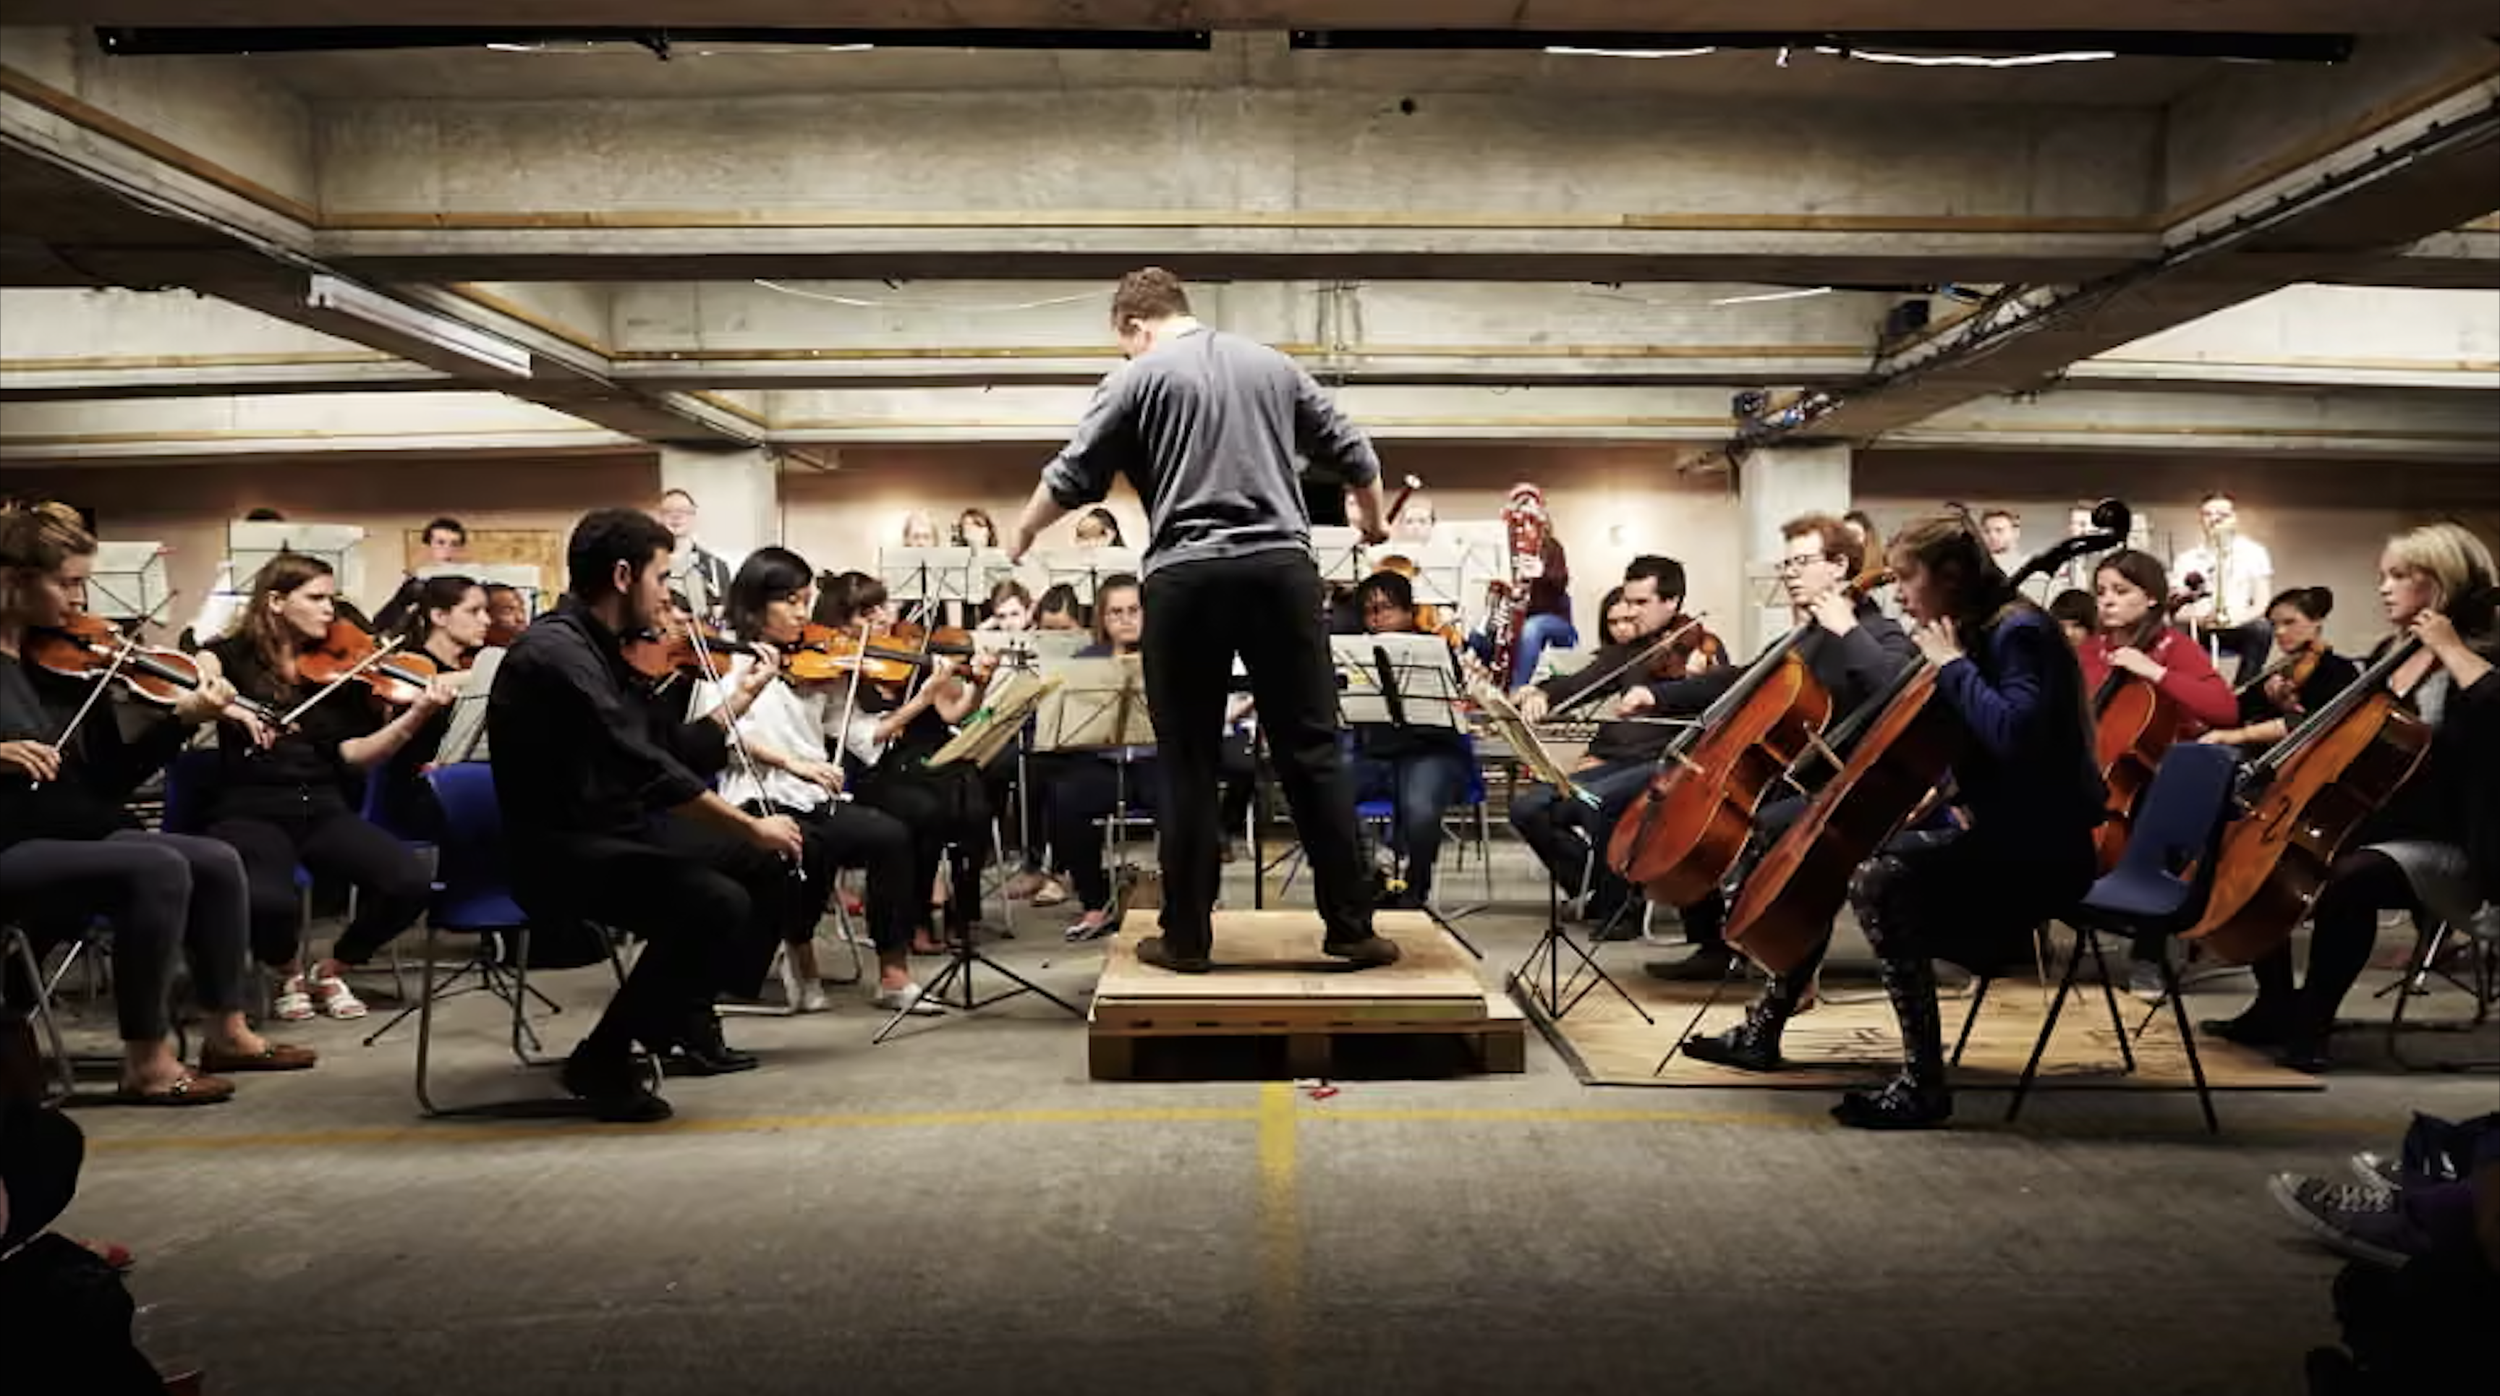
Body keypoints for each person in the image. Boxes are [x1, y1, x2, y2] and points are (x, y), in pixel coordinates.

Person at [1005, 266, 1399, 972]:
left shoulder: (1134, 377)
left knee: (1186, 761)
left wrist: (1023, 533)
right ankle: (1351, 928)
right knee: (1311, 752)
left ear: (1134, 325)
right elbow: (1356, 454)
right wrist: (1370, 522)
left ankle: (1187, 938)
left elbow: (1071, 475)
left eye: (1123, 342)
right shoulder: (1273, 365)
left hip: (1186, 578)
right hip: (1280, 571)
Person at [1681, 512, 2105, 1129]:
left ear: (1950, 575)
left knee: (1879, 879)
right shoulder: (1974, 630)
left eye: (1908, 578)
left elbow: (2015, 736)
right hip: (1999, 831)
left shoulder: (2018, 632)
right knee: (1826, 848)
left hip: (2043, 850)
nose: (1900, 593)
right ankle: (1764, 1027)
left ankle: (1922, 1084)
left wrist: (1951, 664)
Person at [486, 508, 806, 1121]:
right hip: (559, 849)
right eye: (662, 578)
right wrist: (747, 824)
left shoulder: (603, 649)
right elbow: (640, 765)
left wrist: (738, 700)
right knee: (713, 900)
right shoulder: (557, 654)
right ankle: (604, 1057)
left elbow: (665, 749)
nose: (667, 597)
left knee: (765, 865)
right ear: (623, 575)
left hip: (618, 828)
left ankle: (678, 1011)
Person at [0, 501, 317, 1105]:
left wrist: (180, 722)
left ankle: (227, 1032)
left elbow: (110, 780)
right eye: (67, 583)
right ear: (14, 579)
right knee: (157, 865)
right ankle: (147, 1061)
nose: (79, 600)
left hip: (70, 831)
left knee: (215, 860)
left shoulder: (63, 663)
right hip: (10, 842)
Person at [2205, 521, 2497, 1073]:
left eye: (2400, 576)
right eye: (2383, 575)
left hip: (2449, 835)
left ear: (2443, 583)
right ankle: (2274, 1003)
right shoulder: (2394, 651)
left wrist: (2450, 648)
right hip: (2384, 818)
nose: (2384, 588)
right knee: (2259, 851)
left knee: (2350, 880)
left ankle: (2312, 1022)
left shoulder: (2483, 654)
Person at [1638, 513, 1916, 981]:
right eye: (1786, 564)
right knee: (1698, 808)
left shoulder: (1877, 631)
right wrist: (1659, 695)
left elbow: (1893, 688)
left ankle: (1772, 953)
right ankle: (1717, 944)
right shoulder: (1803, 636)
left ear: (1839, 566)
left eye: (1802, 562)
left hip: (1844, 788)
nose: (1790, 574)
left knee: (1759, 825)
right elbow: (1738, 680)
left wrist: (1847, 629)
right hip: (1790, 775)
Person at [201, 554, 447, 1023]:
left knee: (408, 882)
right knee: (270, 902)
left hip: (322, 807)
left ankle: (331, 969)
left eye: (331, 599)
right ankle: (287, 971)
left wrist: (415, 717)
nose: (329, 610)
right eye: (315, 598)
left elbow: (353, 754)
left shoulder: (339, 670)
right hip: (250, 809)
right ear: (275, 601)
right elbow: (194, 682)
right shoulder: (230, 656)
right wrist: (233, 709)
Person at [693, 547, 930, 1015]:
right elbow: (723, 733)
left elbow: (859, 734)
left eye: (806, 600)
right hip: (754, 796)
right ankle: (801, 954)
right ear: (756, 603)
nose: (804, 613)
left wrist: (923, 698)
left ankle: (893, 973)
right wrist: (792, 762)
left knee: (891, 836)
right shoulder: (725, 658)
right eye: (792, 602)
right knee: (806, 847)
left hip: (811, 795)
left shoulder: (818, 662)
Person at [1507, 556, 1720, 928]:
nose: (1631, 612)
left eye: (1641, 603)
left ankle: (1621, 908)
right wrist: (1541, 693)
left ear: (1672, 602)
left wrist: (1695, 679)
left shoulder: (1700, 649)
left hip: (1665, 765)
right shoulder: (1629, 652)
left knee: (1600, 800)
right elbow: (1581, 682)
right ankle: (1592, 888)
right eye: (1628, 601)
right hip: (1614, 764)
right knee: (1528, 808)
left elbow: (1718, 701)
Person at [822, 576, 1000, 954]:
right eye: (865, 613)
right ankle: (915, 918)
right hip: (873, 772)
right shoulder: (836, 670)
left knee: (975, 804)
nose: (882, 617)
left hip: (922, 758)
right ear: (839, 622)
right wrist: (923, 697)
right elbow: (869, 738)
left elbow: (953, 712)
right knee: (925, 810)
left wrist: (980, 684)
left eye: (882, 607)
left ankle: (962, 913)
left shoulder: (907, 656)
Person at [1348, 569, 1474, 910]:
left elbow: (1454, 707)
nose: (1376, 618)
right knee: (1320, 794)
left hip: (1431, 751)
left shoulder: (1436, 649)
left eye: (1385, 608)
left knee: (1419, 811)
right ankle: (1370, 872)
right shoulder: (1356, 651)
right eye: (1369, 611)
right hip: (1376, 752)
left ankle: (1415, 889)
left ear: (1408, 611)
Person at [2077, 550, 2238, 734]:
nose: (2107, 601)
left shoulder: (2174, 645)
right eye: (2100, 593)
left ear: (2151, 597)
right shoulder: (2090, 649)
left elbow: (2226, 711)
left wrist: (2156, 672)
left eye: (2121, 591)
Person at [2200, 586, 2360, 755]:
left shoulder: (2338, 670)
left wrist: (2239, 735)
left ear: (2316, 621)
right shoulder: (2279, 673)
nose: (2279, 631)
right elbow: (2237, 710)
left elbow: (2309, 723)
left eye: (2289, 622)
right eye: (2274, 625)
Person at [2172, 491, 2276, 683]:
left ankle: (2243, 690)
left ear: (2235, 519)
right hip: (2200, 625)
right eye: (2208, 514)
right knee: (2172, 633)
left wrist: (2234, 620)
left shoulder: (2254, 552)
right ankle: (2196, 688)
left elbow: (2262, 603)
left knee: (2263, 628)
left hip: (2238, 624)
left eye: (2222, 515)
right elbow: (2175, 610)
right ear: (2200, 520)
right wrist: (2201, 619)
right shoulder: (2186, 559)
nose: (2215, 520)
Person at [372, 516, 466, 634]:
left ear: (461, 549)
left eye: (454, 544)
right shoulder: (416, 585)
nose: (448, 550)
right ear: (428, 546)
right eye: (440, 543)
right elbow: (381, 622)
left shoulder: (472, 586)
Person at [655, 488, 732, 625]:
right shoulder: (649, 565)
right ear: (659, 517)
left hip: (704, 636)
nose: (676, 516)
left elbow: (725, 614)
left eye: (683, 511)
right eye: (668, 511)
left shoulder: (715, 566)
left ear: (693, 516)